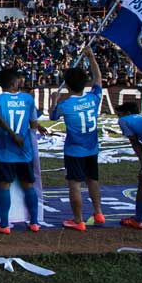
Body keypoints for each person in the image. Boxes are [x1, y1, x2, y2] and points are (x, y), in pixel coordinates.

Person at [49, 48, 105, 231]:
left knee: (74, 184)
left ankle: (78, 219)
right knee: (93, 181)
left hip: (74, 150)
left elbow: (52, 117)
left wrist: (54, 100)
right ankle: (98, 212)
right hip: (92, 148)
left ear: (67, 85)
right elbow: (98, 79)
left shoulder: (65, 105)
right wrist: (92, 57)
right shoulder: (93, 98)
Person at [0, 68, 48, 234]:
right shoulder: (28, 99)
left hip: (5, 150)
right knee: (29, 186)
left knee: (4, 187)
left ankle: (5, 224)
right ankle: (34, 222)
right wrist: (39, 127)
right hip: (24, 151)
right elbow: (33, 125)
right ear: (15, 83)